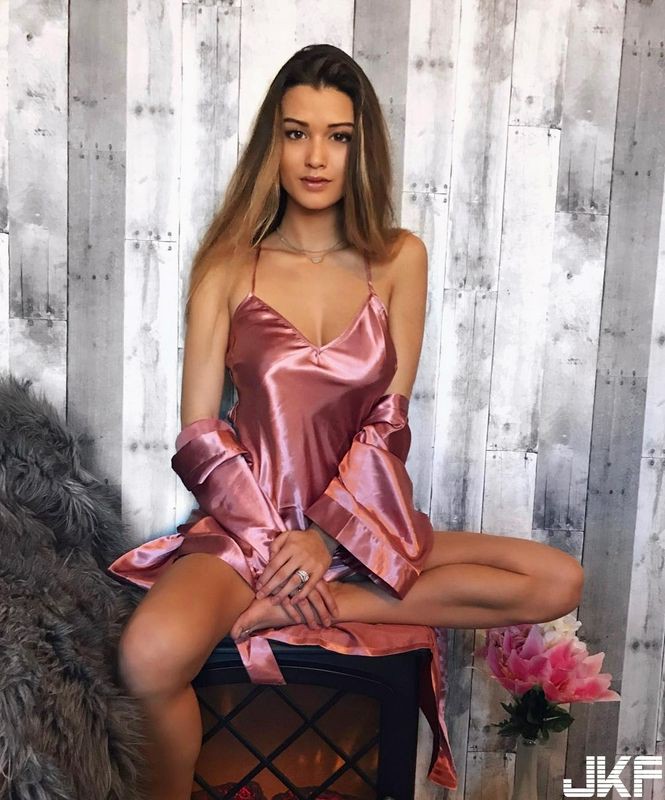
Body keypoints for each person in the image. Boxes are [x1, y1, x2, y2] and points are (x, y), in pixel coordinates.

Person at [107, 43, 584, 800]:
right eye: (296, 133)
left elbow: (386, 423)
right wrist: (276, 544)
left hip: (361, 527)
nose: (315, 157)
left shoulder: (399, 259)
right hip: (248, 535)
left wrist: (327, 540)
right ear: (273, 143)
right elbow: (199, 433)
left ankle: (336, 604)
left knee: (558, 579)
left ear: (361, 149)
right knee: (147, 657)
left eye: (338, 136)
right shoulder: (228, 264)